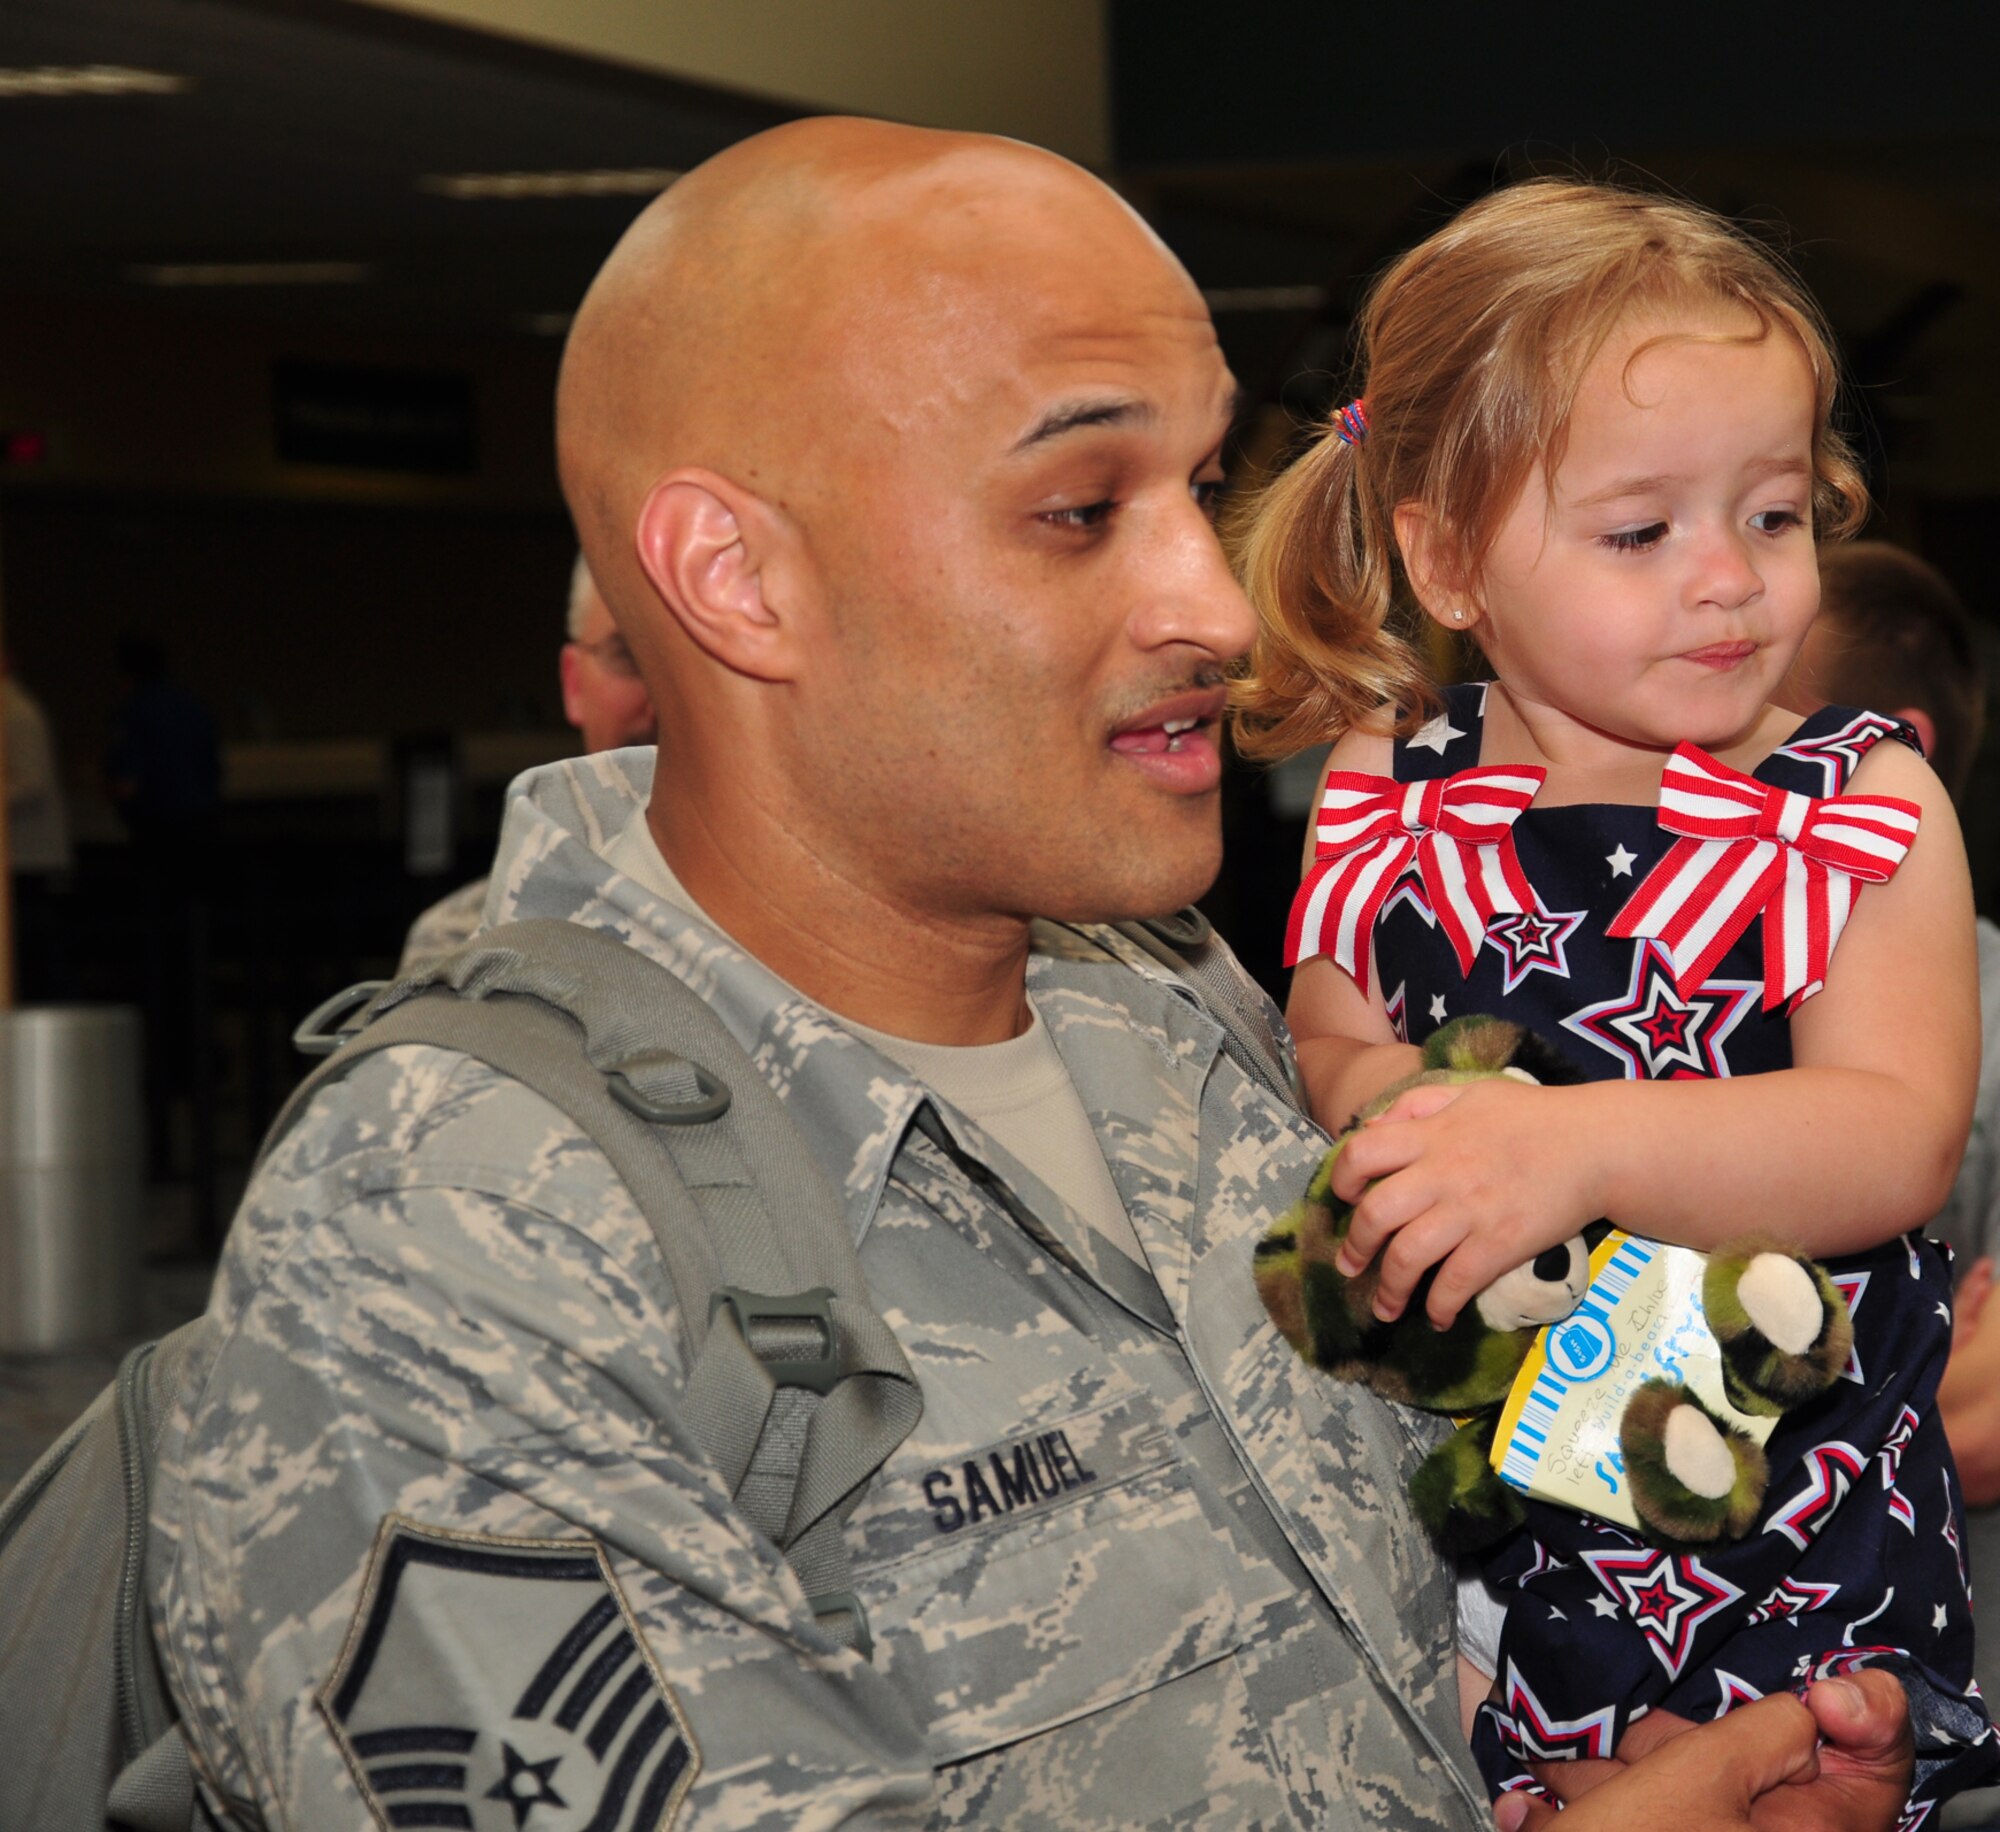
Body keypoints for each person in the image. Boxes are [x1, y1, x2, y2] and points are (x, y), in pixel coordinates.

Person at [141, 126, 1913, 1831]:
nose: (1215, 608)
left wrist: (1843, 1430)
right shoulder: (459, 1245)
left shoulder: (1159, 1009)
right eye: (1080, 509)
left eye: (1202, 487)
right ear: (733, 577)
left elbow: (1416, 1499)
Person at [1233, 179, 1988, 1815]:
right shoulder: (1392, 778)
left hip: (1791, 1540)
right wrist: (1396, 1107)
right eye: (1642, 532)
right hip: (1462, 1534)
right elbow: (1330, 1017)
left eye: (1775, 514)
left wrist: (1569, 1150)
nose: (1727, 578)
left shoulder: (1858, 804)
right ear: (1445, 555)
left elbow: (1894, 1135)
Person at [397, 553, 655, 971]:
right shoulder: (465, 943)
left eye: (685, 664)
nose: (662, 696)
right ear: (573, 684)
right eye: (627, 655)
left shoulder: (776, 932)